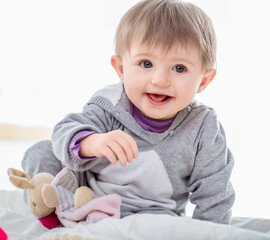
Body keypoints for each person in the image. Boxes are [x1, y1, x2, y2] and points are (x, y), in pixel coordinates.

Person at [22, 0, 235, 224]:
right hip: (88, 203)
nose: (160, 80)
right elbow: (64, 131)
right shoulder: (111, 104)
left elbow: (216, 195)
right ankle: (55, 222)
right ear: (122, 69)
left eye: (179, 68)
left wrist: (210, 233)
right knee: (41, 152)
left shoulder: (204, 128)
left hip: (157, 219)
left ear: (203, 80)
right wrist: (92, 142)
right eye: (146, 63)